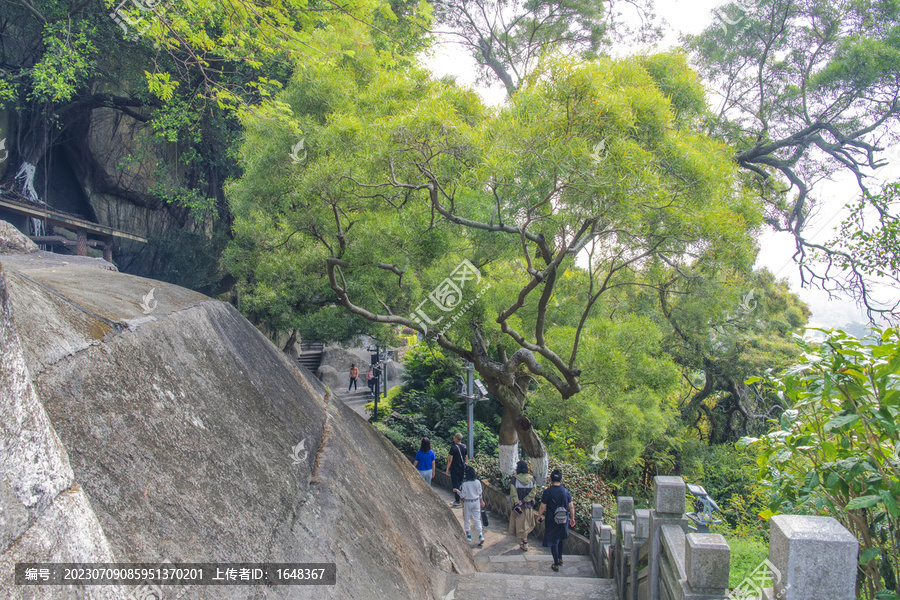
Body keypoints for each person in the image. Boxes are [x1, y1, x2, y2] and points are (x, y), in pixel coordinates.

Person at [535, 469, 575, 572]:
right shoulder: (566, 492)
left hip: (551, 519)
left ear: (551, 479)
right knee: (561, 538)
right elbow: (571, 507)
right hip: (563, 519)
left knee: (554, 541)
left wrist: (539, 516)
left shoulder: (548, 492)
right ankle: (560, 558)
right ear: (561, 479)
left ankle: (556, 564)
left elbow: (543, 507)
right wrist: (572, 518)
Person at [507, 460, 537, 551]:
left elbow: (513, 493)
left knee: (519, 526)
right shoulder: (532, 479)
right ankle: (524, 542)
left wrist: (518, 502)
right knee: (526, 524)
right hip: (528, 506)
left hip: (518, 508)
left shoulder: (514, 479)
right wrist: (524, 500)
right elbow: (533, 493)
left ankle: (525, 543)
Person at [453, 465, 485, 546]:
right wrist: (482, 501)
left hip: (467, 502)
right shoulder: (478, 482)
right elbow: (480, 493)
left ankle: (469, 535)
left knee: (467, 518)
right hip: (476, 501)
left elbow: (463, 495)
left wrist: (457, 491)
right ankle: (480, 535)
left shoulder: (465, 484)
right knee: (477, 519)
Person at [445, 432, 468, 506]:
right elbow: (466, 457)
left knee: (455, 484)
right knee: (461, 483)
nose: (453, 438)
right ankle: (462, 499)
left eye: (454, 437)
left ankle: (457, 500)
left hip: (455, 468)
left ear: (456, 439)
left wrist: (447, 469)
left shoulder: (454, 448)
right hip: (462, 468)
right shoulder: (464, 447)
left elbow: (450, 460)